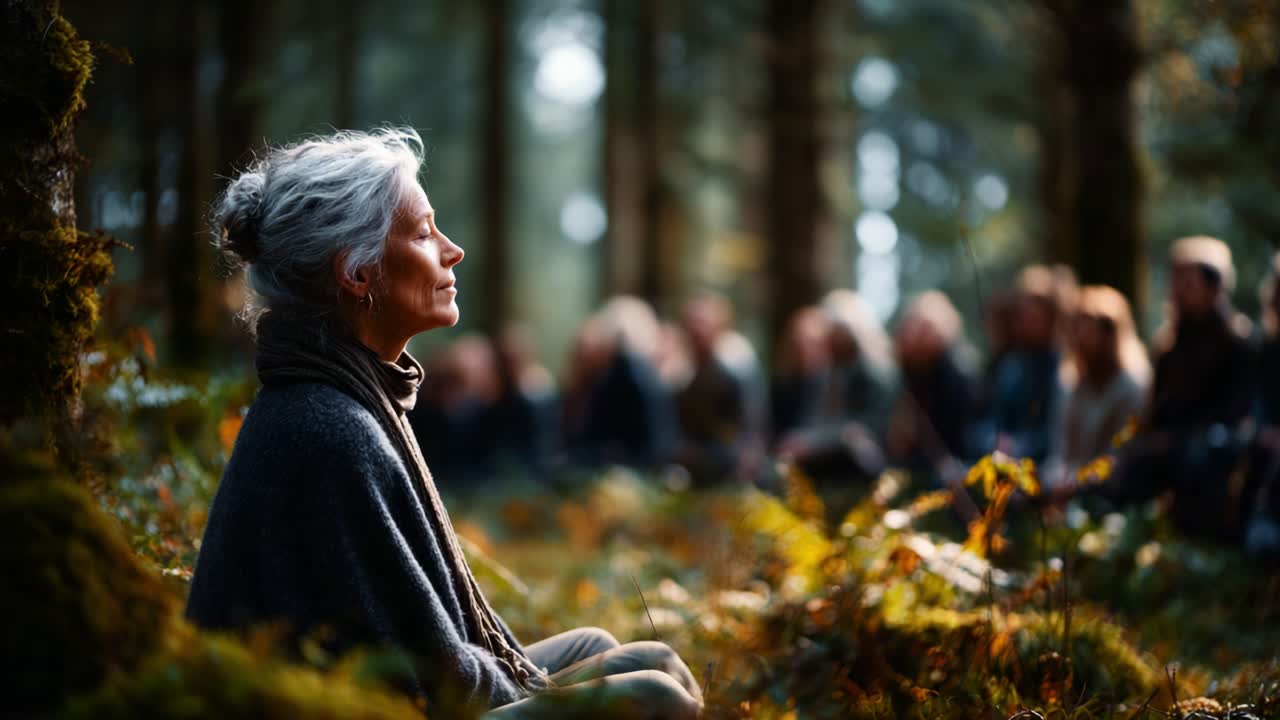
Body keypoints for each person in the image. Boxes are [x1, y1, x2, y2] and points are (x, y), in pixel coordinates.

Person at [185, 128, 702, 719]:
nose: (452, 250)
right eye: (425, 233)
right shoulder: (326, 427)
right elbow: (425, 683)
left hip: (411, 688)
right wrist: (563, 697)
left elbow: (432, 647)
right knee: (652, 695)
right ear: (358, 274)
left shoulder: (347, 397)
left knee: (607, 649)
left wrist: (552, 687)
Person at [1094, 236, 1255, 540]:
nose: (1178, 290)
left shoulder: (1236, 343)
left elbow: (1237, 411)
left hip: (1213, 444)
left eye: (1188, 282)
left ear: (1213, 288)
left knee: (1199, 457)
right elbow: (1157, 409)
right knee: (1128, 462)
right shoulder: (1169, 346)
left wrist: (1181, 437)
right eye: (1176, 280)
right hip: (1171, 442)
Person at [886, 291, 979, 484]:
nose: (918, 337)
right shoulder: (910, 374)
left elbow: (962, 436)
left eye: (925, 330)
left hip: (956, 464)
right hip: (921, 466)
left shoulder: (958, 372)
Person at [1058, 286, 1150, 481]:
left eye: (1088, 330)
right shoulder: (1076, 386)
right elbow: (1066, 450)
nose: (1080, 338)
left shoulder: (1131, 387)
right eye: (1077, 328)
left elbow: (1124, 454)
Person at [672, 291, 763, 484]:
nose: (697, 331)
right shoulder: (685, 379)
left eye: (703, 323)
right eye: (692, 324)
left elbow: (746, 438)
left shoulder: (735, 377)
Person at [987, 266, 1073, 464]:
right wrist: (997, 441)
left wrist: (1020, 446)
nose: (1026, 324)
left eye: (1034, 318)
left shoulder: (1065, 367)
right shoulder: (1012, 367)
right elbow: (998, 419)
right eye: (1022, 316)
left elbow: (1059, 432)